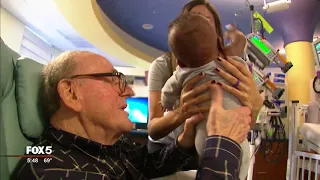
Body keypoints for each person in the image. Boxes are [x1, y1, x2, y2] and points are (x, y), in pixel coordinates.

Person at [16, 50, 251, 180]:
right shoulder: (50, 171)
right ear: (71, 93)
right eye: (113, 80)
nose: (128, 91)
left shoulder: (110, 146)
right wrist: (223, 142)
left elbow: (147, 164)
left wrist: (184, 140)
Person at [148, 0, 263, 179]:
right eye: (195, 19)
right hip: (171, 151)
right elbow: (153, 130)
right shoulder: (164, 67)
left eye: (207, 21)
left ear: (216, 32)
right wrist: (182, 111)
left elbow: (243, 119)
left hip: (218, 141)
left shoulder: (231, 66)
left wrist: (254, 108)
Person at [162, 12, 250, 161]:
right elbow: (239, 44)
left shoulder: (181, 74)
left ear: (180, 62)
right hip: (238, 137)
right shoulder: (233, 64)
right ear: (219, 42)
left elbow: (166, 94)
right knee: (239, 167)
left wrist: (167, 103)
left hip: (205, 139)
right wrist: (235, 35)